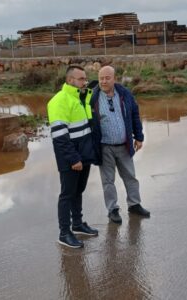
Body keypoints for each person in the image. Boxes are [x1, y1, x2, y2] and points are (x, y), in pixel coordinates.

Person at [91, 65, 150, 224]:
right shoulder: (92, 98)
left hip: (124, 145)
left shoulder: (125, 94)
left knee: (130, 177)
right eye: (101, 78)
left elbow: (134, 114)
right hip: (104, 147)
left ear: (114, 78)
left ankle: (134, 204)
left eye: (107, 78)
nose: (103, 81)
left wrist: (139, 137)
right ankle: (113, 209)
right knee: (108, 181)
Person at [47, 65, 99, 248]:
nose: (85, 82)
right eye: (81, 79)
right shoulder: (59, 101)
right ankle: (64, 233)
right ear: (70, 80)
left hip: (83, 155)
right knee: (67, 195)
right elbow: (60, 136)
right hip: (71, 158)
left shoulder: (80, 97)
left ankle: (77, 224)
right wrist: (73, 159)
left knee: (78, 191)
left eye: (85, 79)